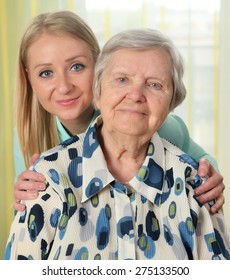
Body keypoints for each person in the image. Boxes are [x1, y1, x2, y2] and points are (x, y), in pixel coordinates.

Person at [5, 28, 230, 260]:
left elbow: (204, 169)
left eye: (155, 85)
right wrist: (24, 199)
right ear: (99, 89)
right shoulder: (43, 162)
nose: (135, 95)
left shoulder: (172, 138)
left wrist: (208, 178)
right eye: (122, 79)